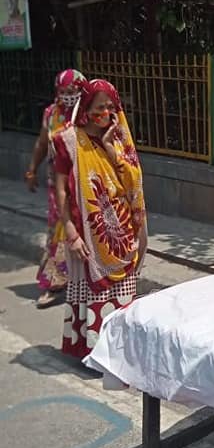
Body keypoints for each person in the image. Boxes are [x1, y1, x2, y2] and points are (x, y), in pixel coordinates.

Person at [54, 78, 147, 359]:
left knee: (123, 294)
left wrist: (109, 146)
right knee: (92, 293)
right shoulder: (68, 141)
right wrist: (71, 233)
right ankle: (95, 352)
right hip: (87, 231)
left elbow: (132, 184)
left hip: (121, 232)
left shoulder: (119, 141)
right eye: (99, 108)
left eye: (111, 107)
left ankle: (120, 354)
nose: (106, 113)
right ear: (85, 108)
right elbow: (61, 190)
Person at [25, 69, 87, 308]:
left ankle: (88, 282)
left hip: (86, 182)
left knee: (88, 229)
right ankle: (54, 282)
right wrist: (32, 169)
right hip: (58, 183)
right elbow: (42, 143)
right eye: (63, 91)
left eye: (72, 91)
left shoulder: (89, 113)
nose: (67, 96)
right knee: (59, 230)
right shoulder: (52, 114)